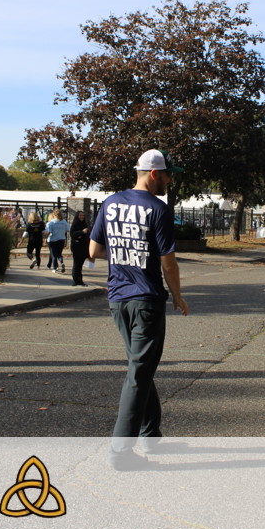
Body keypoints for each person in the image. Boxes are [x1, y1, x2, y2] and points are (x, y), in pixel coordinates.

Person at [89, 148, 189, 470]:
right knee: (139, 373)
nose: (170, 181)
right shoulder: (158, 209)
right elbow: (168, 263)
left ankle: (150, 436)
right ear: (155, 173)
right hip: (146, 300)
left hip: (118, 299)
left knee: (140, 367)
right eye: (169, 175)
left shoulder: (110, 203)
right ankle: (121, 452)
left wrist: (126, 253)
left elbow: (94, 250)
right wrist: (177, 296)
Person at [69, 210, 91, 286]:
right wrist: (81, 232)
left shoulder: (84, 224)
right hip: (77, 247)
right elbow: (72, 234)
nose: (82, 217)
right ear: (77, 216)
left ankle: (80, 281)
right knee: (76, 264)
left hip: (83, 247)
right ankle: (75, 280)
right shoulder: (75, 223)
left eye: (83, 216)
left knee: (80, 265)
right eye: (80, 215)